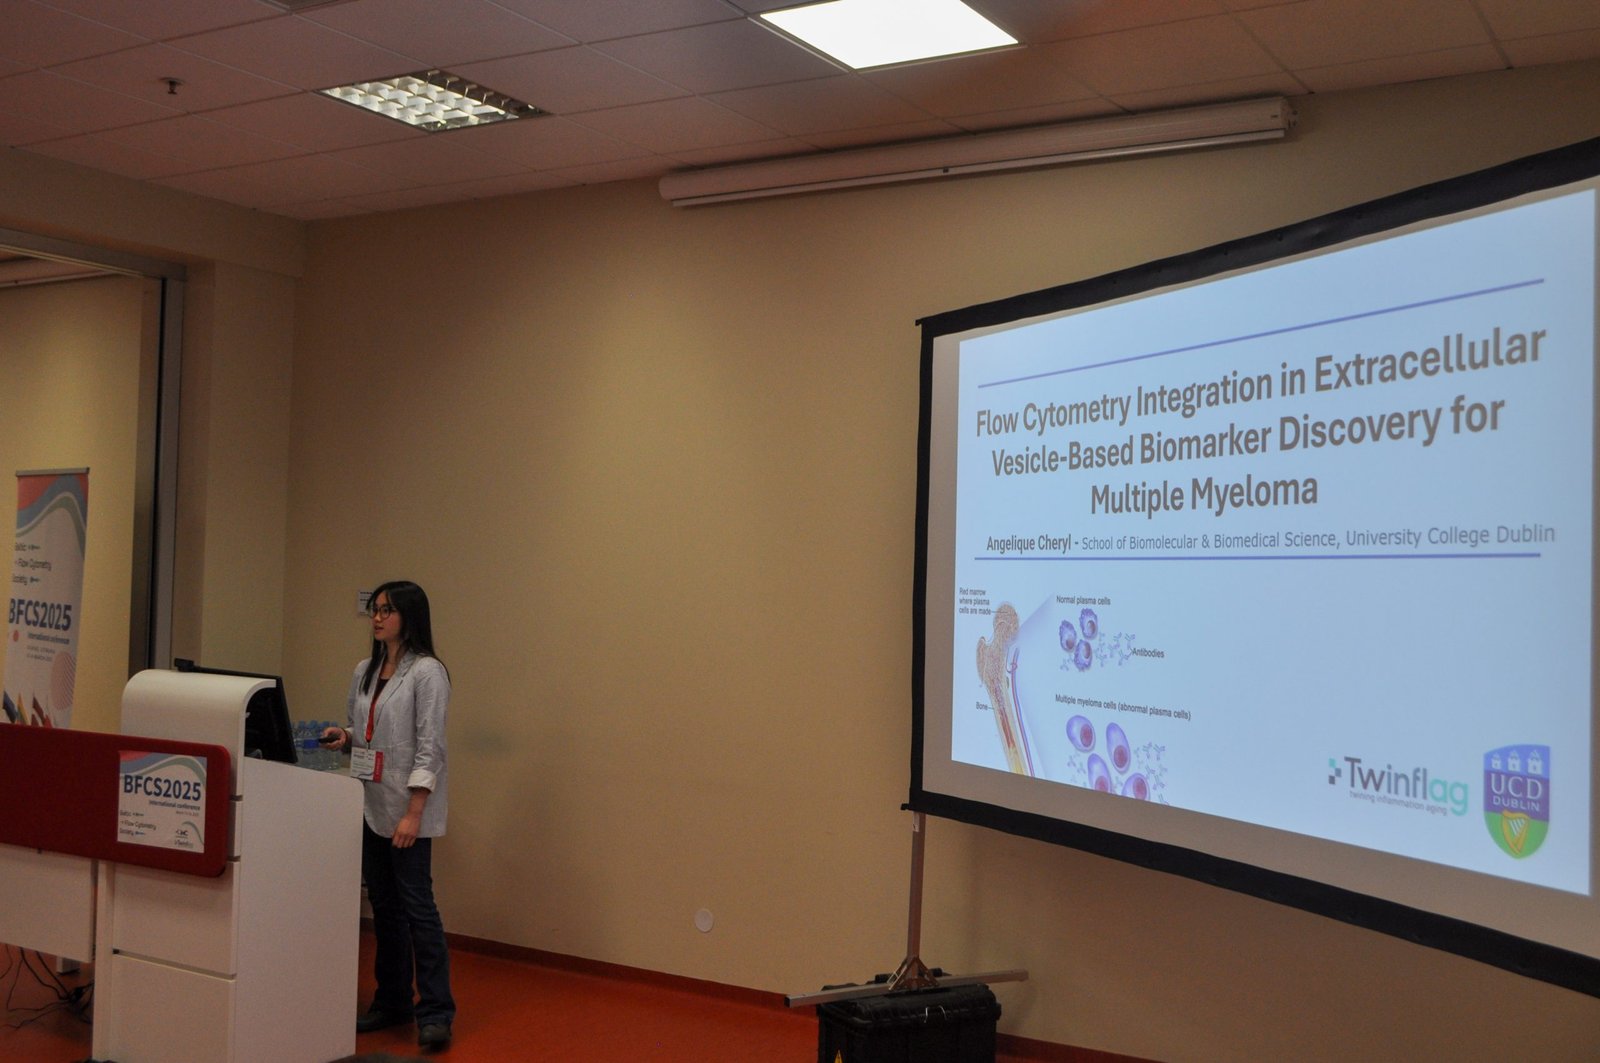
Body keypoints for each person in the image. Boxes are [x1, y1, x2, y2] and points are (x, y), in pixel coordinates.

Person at [320, 580, 455, 1048]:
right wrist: (346, 736)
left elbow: (430, 748)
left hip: (407, 810)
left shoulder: (428, 673)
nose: (377, 618)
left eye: (387, 610)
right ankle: (393, 1000)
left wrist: (414, 813)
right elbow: (367, 730)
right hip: (370, 804)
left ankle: (436, 1012)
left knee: (418, 909)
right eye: (375, 609)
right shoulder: (365, 669)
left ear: (409, 616)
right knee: (384, 909)